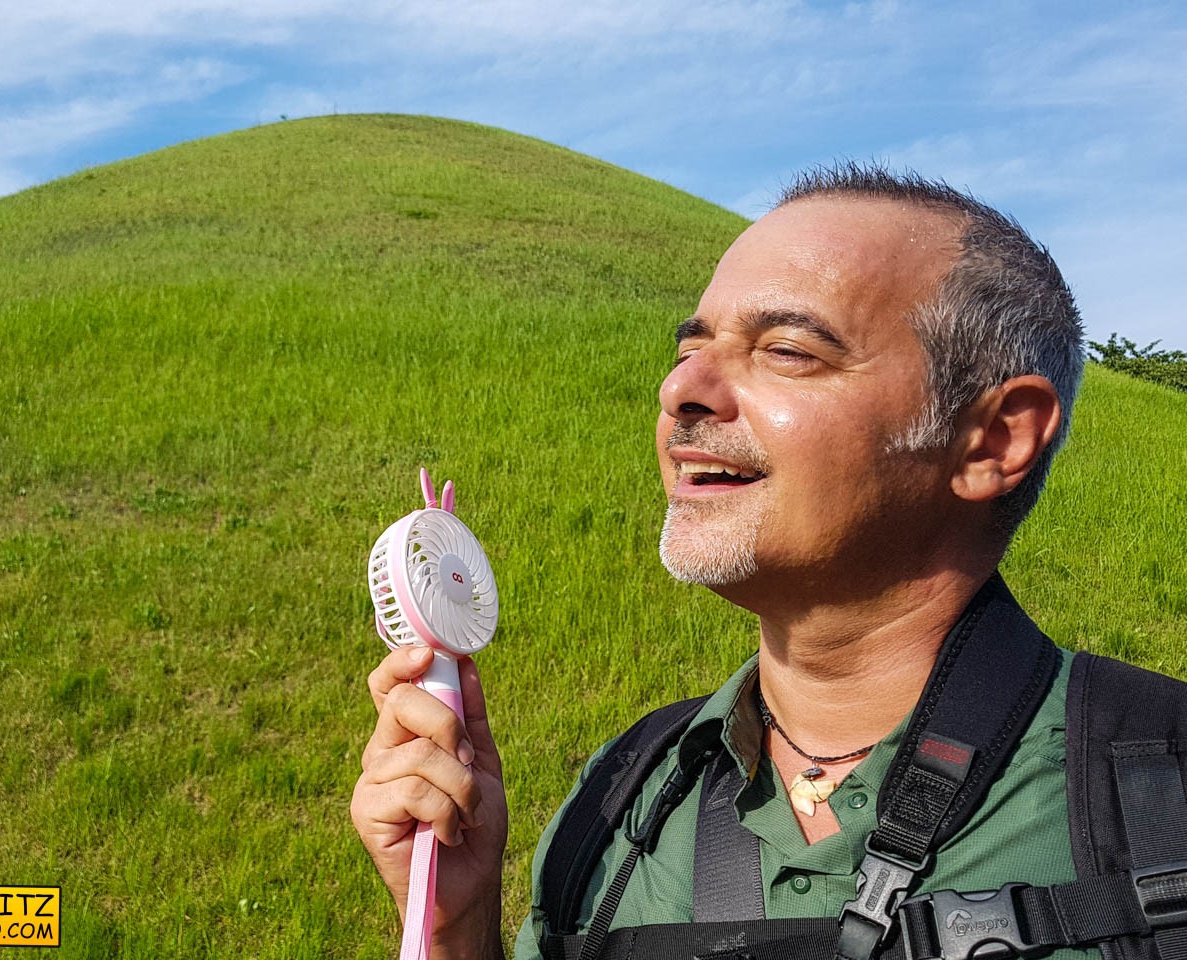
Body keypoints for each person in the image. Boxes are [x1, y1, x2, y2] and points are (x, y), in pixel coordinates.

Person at [349, 164, 1177, 960]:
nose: (683, 391)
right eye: (688, 348)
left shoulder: (1158, 790)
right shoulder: (622, 793)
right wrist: (453, 924)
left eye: (786, 351)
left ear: (992, 439)